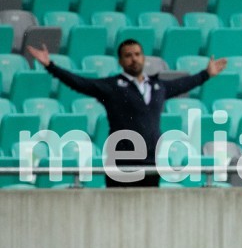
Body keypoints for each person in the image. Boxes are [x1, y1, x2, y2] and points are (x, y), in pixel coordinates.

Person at [27, 40, 227, 187]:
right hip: (121, 162)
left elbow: (183, 84)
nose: (134, 59)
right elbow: (81, 83)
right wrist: (50, 66)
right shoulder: (112, 86)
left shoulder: (158, 86)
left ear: (144, 58)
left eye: (137, 54)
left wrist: (206, 74)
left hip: (151, 162)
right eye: (128, 55)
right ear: (120, 61)